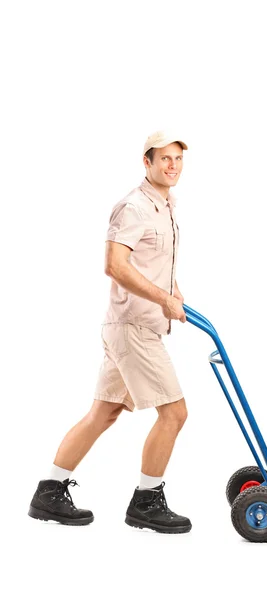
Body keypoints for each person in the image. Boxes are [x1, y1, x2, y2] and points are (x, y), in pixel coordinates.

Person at [28, 131, 192, 534]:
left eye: (178, 159)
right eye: (164, 159)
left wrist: (173, 291)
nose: (172, 166)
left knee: (103, 412)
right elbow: (115, 266)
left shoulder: (166, 204)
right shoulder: (134, 207)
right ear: (147, 162)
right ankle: (147, 503)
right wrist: (161, 298)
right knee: (174, 413)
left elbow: (151, 261)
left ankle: (47, 492)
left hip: (134, 325)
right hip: (133, 327)